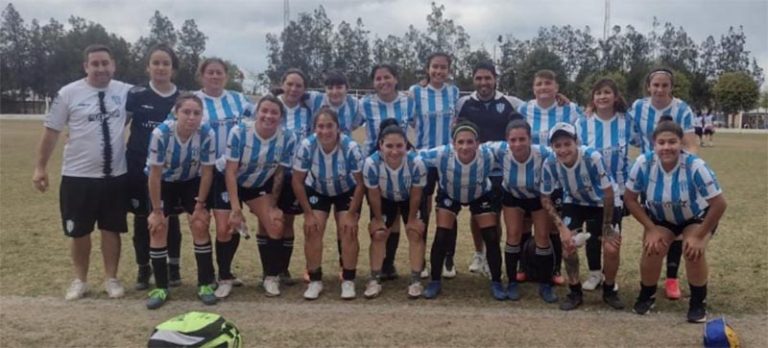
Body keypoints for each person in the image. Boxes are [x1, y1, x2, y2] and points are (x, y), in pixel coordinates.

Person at [33, 44, 132, 300]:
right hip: (78, 176)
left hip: (115, 176)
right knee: (79, 232)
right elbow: (52, 130)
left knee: (112, 229)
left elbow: (135, 116)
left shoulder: (126, 92)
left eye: (104, 63)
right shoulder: (68, 94)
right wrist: (40, 167)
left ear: (113, 65)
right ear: (86, 66)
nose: (100, 68)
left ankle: (111, 278)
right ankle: (80, 280)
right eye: (94, 64)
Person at [624, 116, 726, 323]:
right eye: (661, 142)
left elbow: (719, 203)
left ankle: (698, 302)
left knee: (692, 250)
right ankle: (647, 295)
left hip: (695, 216)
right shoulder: (644, 163)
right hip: (662, 218)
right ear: (654, 144)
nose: (667, 147)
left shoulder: (695, 166)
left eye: (672, 142)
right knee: (653, 248)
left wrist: (699, 235)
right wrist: (650, 229)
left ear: (681, 143)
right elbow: (630, 199)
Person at [628, 67, 698, 300]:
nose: (659, 89)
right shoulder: (638, 107)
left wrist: (688, 171)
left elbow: (689, 143)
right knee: (655, 225)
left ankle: (671, 278)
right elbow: (628, 129)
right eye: (655, 85)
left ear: (671, 87)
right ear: (649, 86)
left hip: (676, 170)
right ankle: (648, 280)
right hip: (650, 174)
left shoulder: (682, 109)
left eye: (664, 85)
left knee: (677, 225)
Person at [540, 122, 624, 311]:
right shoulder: (550, 163)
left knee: (611, 247)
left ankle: (609, 289)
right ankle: (575, 291)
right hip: (575, 201)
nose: (563, 149)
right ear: (552, 147)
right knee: (568, 245)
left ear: (576, 142)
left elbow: (608, 192)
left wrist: (607, 226)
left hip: (604, 202)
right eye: (557, 145)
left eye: (567, 144)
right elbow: (545, 198)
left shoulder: (591, 157)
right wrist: (562, 228)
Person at [145, 93, 217, 308]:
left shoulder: (206, 133)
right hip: (164, 182)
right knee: (158, 227)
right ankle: (160, 286)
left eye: (197, 113)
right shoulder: (161, 133)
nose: (191, 117)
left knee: (200, 223)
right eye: (186, 112)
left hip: (190, 181)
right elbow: (154, 174)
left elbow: (207, 172)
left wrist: (200, 205)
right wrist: (157, 210)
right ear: (176, 113)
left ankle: (205, 283)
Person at [419, 120, 503, 300]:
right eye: (460, 142)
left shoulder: (488, 153)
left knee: (491, 236)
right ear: (453, 144)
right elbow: (415, 156)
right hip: (450, 194)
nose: (465, 147)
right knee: (442, 235)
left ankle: (496, 281)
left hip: (480, 194)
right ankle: (434, 281)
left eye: (470, 142)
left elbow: (514, 147)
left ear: (478, 143)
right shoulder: (441, 154)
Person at [223, 96, 297, 297]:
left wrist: (273, 204)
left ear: (281, 117)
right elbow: (230, 171)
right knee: (227, 226)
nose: (268, 116)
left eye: (274, 112)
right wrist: (236, 208)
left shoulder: (288, 137)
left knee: (275, 222)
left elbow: (280, 173)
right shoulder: (239, 132)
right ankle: (223, 277)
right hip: (231, 183)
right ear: (257, 112)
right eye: (264, 110)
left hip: (257, 185)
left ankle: (271, 277)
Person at [456, 61, 524, 277]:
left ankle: (494, 254)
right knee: (478, 215)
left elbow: (536, 106)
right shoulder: (463, 103)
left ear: (495, 78)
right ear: (473, 79)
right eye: (479, 78)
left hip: (503, 170)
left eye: (487, 78)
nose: (483, 82)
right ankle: (479, 253)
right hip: (475, 169)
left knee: (497, 216)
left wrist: (564, 99)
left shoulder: (511, 102)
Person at [125, 43, 183, 291]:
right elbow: (120, 125)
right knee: (142, 219)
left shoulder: (181, 97)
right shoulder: (136, 95)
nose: (161, 67)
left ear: (173, 68)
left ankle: (173, 267)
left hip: (171, 169)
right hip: (139, 165)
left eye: (166, 63)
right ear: (148, 67)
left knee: (169, 218)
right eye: (156, 63)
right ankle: (143, 267)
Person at [517, 69, 583, 285]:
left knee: (553, 223)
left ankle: (554, 268)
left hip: (558, 176)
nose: (543, 87)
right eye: (539, 83)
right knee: (526, 222)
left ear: (556, 87)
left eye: (548, 83)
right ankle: (523, 265)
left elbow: (581, 135)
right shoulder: (524, 108)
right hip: (529, 174)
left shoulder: (570, 109)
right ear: (533, 88)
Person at [194, 58, 253, 298]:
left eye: (219, 73)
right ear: (202, 75)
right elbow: (175, 124)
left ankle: (225, 273)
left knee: (228, 225)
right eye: (210, 72)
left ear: (226, 76)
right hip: (202, 171)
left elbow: (264, 115)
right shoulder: (194, 100)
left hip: (231, 171)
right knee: (202, 224)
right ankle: (207, 276)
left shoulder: (238, 99)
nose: (215, 76)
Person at [574, 78, 640, 292]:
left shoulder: (626, 121)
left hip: (618, 190)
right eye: (598, 93)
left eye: (607, 92)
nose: (602, 96)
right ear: (593, 98)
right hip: (591, 191)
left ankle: (609, 275)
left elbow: (643, 144)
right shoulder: (583, 122)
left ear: (615, 96)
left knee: (612, 234)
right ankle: (594, 273)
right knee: (593, 234)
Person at [292, 107, 365, 300]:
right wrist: (307, 214)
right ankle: (315, 280)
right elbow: (297, 181)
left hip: (346, 190)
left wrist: (351, 214)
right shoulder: (307, 146)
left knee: (348, 229)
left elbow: (361, 182)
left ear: (338, 128)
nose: (325, 131)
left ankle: (348, 280)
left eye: (329, 126)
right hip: (318, 189)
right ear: (314, 128)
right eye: (320, 126)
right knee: (313, 229)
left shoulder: (350, 147)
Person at [488, 119, 557, 303]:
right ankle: (511, 282)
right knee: (513, 235)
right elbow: (473, 147)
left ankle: (545, 283)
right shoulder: (500, 150)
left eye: (522, 139)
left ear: (530, 139)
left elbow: (567, 154)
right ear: (507, 140)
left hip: (538, 197)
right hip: (512, 196)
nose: (517, 144)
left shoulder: (543, 153)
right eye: (513, 140)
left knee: (543, 236)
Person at [360, 64, 415, 280]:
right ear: (373, 82)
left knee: (397, 216)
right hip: (375, 165)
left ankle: (389, 264)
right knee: (381, 216)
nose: (383, 82)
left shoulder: (408, 101)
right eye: (378, 78)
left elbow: (418, 124)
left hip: (400, 162)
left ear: (395, 79)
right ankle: (382, 264)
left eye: (387, 77)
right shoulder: (365, 104)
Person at [409, 52, 461, 279]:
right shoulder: (416, 92)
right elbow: (407, 122)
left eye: (443, 67)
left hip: (449, 159)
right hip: (424, 159)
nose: (438, 71)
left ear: (449, 70)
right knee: (423, 209)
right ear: (427, 69)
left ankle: (448, 258)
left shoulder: (454, 92)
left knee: (448, 209)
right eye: (434, 67)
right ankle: (421, 260)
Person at [362, 118, 427, 298]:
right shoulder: (371, 164)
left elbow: (416, 193)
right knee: (379, 234)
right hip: (386, 199)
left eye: (399, 146)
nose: (394, 151)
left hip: (408, 199)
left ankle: (415, 280)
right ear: (381, 145)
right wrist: (377, 219)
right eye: (389, 146)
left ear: (406, 145)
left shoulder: (416, 163)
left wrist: (412, 218)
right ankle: (374, 278)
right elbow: (373, 194)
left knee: (414, 232)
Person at [272, 69, 313, 284]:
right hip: (272, 172)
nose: (294, 89)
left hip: (296, 175)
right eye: (290, 84)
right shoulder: (271, 107)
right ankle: (269, 269)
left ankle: (283, 269)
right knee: (269, 220)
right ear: (282, 84)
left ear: (304, 89)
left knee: (287, 220)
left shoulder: (307, 112)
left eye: (298, 85)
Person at [308, 70, 364, 136]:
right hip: (317, 145)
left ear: (347, 89)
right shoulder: (314, 99)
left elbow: (355, 125)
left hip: (343, 145)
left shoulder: (355, 104)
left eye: (339, 87)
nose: (334, 92)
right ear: (325, 89)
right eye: (330, 88)